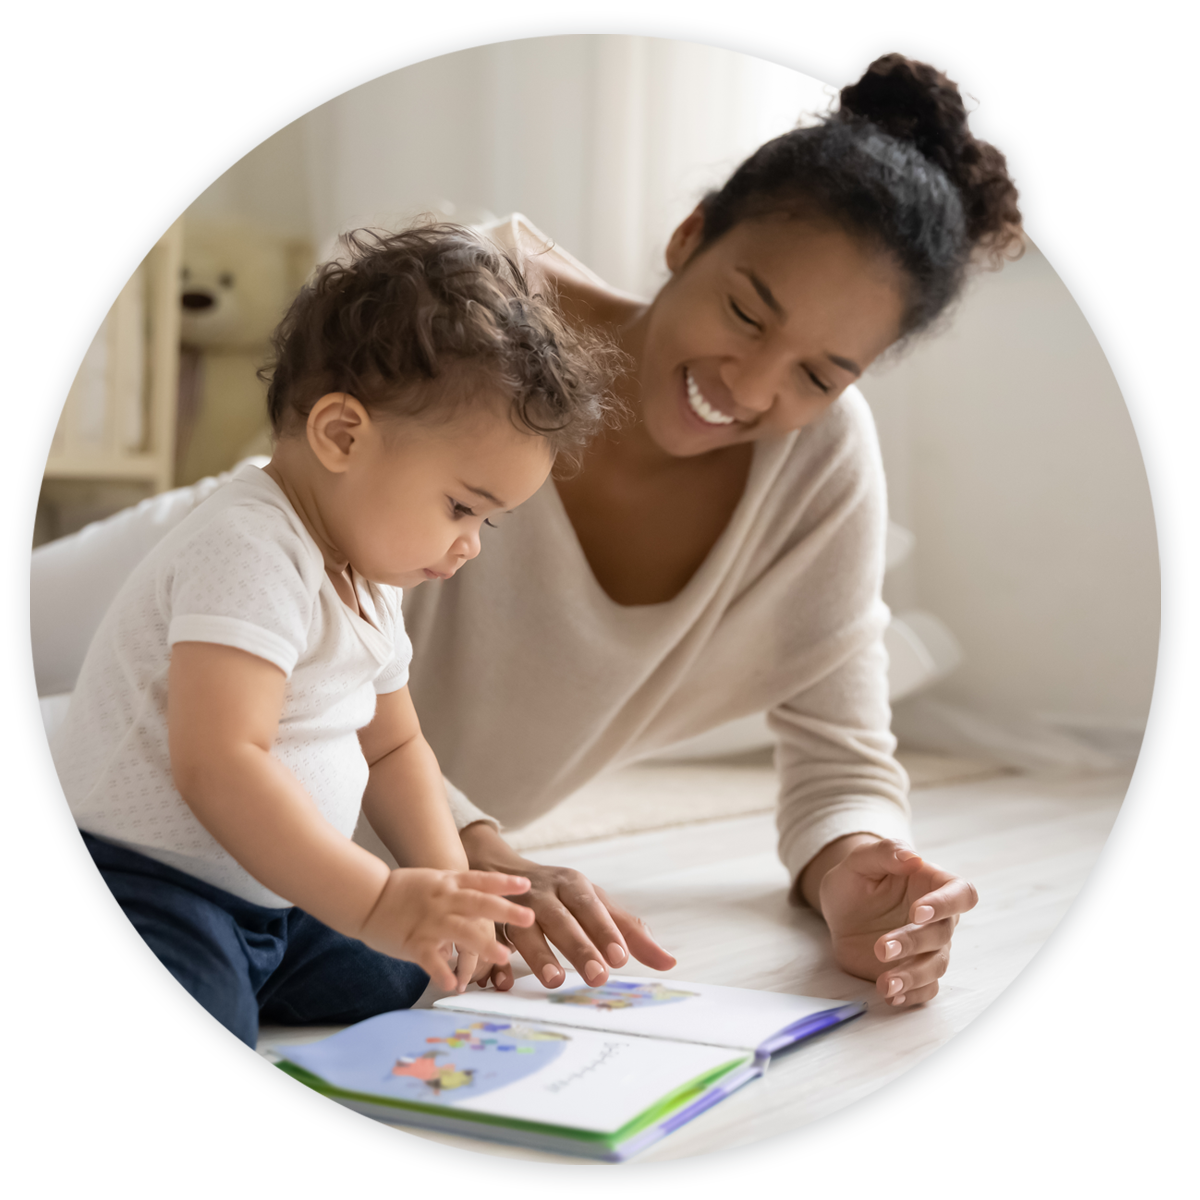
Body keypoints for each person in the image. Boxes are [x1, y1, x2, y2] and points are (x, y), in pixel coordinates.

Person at [30, 51, 1025, 1033]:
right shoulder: (471, 327)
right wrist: (449, 868)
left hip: (309, 821)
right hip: (226, 609)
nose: (755, 387)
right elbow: (314, 549)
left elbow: (841, 757)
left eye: (821, 374)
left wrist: (865, 873)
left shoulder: (818, 467)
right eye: (743, 311)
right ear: (687, 239)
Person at [29, 225, 619, 1100]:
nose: (469, 547)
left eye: (484, 522)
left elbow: (396, 750)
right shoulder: (251, 547)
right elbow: (218, 762)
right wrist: (378, 902)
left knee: (399, 973)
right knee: (186, 1033)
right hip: (119, 879)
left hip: (251, 897)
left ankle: (242, 968)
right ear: (342, 433)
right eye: (462, 506)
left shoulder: (370, 580)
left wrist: (446, 893)